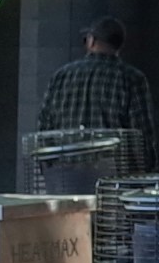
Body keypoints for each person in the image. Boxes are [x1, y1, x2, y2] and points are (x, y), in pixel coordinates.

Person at [39, 19, 151, 170]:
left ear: (91, 41)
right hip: (115, 179)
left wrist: (49, 167)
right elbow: (141, 134)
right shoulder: (131, 78)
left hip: (66, 176)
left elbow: (45, 125)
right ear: (119, 45)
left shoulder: (62, 76)